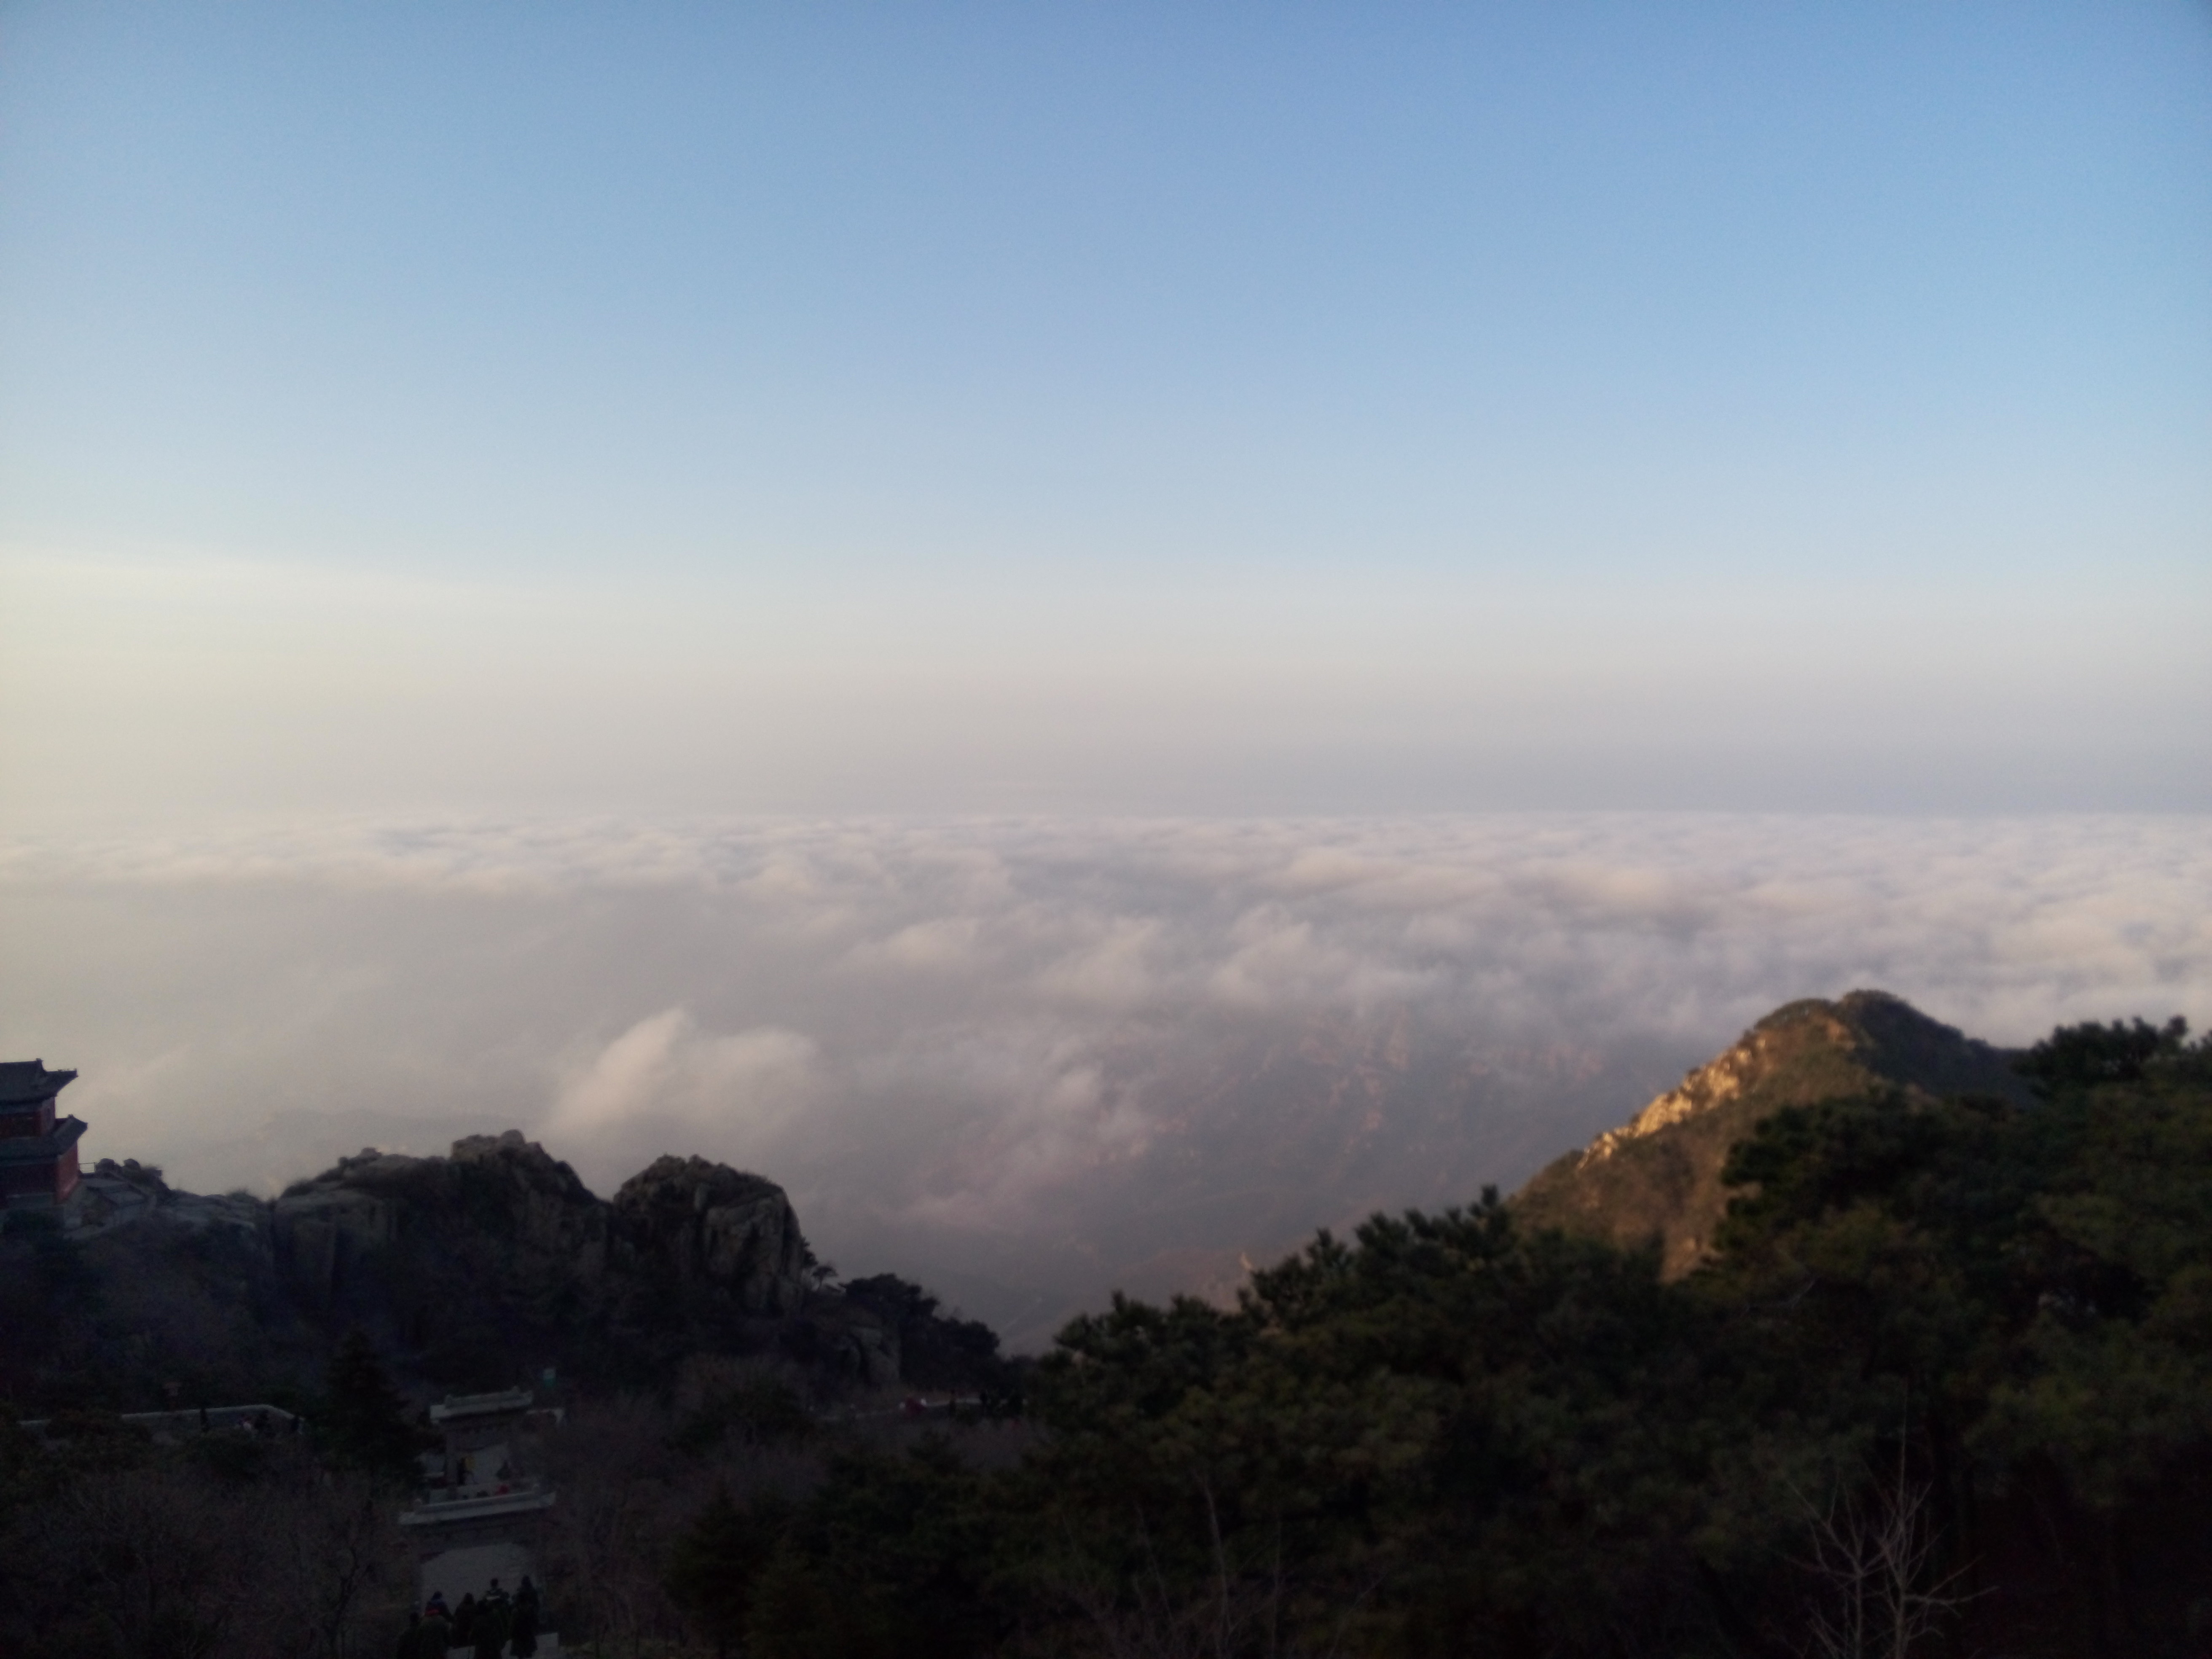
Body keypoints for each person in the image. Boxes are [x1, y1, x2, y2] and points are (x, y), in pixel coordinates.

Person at [509, 1577, 540, 1658]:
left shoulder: (519, 1593)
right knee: (529, 1651)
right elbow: (537, 1604)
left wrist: (511, 1633)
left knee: (520, 1653)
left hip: (519, 1633)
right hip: (529, 1630)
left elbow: (512, 1623)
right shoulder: (533, 1592)